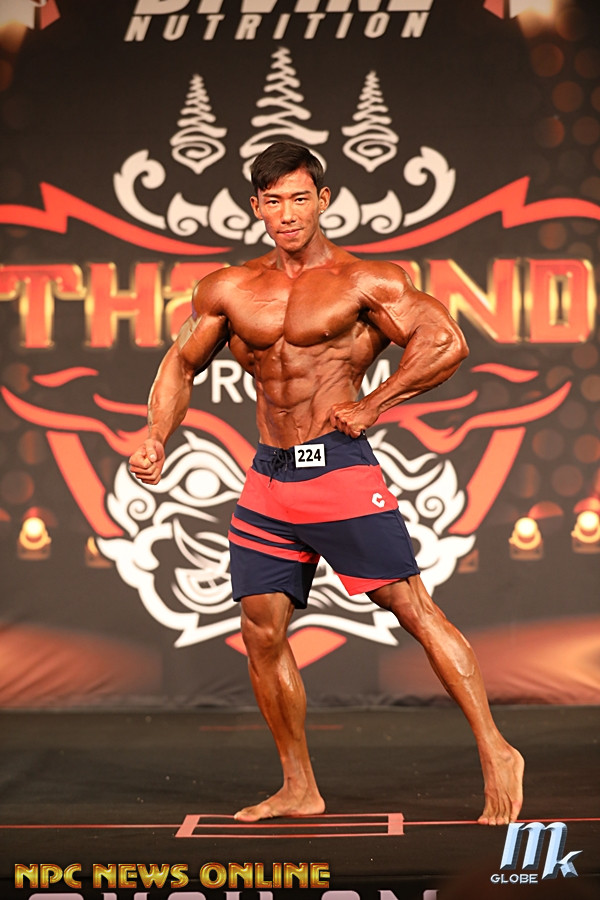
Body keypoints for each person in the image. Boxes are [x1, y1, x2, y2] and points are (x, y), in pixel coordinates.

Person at [129, 141, 524, 826]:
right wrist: (157, 434)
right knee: (260, 632)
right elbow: (180, 362)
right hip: (269, 478)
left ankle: (497, 750)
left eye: (299, 198)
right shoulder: (228, 288)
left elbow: (446, 342)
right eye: (273, 201)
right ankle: (298, 786)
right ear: (256, 207)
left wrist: (375, 403)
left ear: (324, 200)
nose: (287, 213)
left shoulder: (364, 281)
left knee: (412, 609)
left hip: (337, 469)